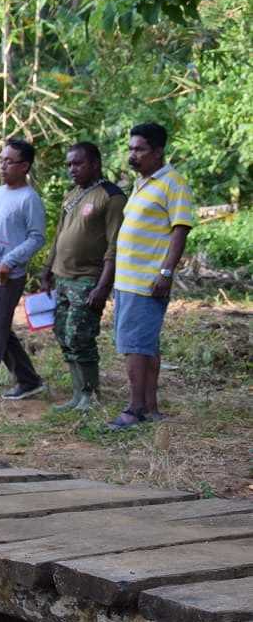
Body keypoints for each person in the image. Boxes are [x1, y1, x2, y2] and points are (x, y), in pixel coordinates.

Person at [107, 123, 195, 430]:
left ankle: (135, 409)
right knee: (146, 346)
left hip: (146, 281)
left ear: (158, 152)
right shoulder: (142, 183)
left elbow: (180, 229)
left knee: (134, 345)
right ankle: (151, 409)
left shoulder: (173, 183)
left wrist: (166, 272)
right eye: (131, 149)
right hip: (128, 280)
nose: (133, 155)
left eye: (139, 149)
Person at [41, 142, 125, 412]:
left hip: (88, 279)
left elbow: (115, 246)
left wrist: (103, 287)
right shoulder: (73, 194)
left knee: (80, 335)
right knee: (63, 334)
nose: (71, 169)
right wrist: (47, 269)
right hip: (63, 278)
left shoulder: (111, 196)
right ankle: (78, 394)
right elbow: (59, 235)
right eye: (69, 164)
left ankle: (91, 394)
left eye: (77, 164)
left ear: (95, 164)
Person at [0, 139, 46, 409]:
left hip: (7, 277)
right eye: (1, 159)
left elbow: (37, 238)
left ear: (24, 166)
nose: (2, 165)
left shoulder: (29, 199)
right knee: (1, 331)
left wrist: (11, 261)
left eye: (9, 161)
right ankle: (28, 380)